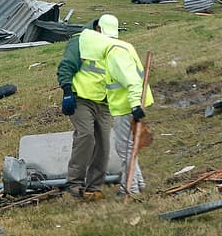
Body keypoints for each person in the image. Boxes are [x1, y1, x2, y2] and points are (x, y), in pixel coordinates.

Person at [56, 14, 116, 195]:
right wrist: (67, 92)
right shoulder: (79, 41)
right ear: (97, 28)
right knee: (86, 136)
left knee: (104, 144)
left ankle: (94, 187)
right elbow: (66, 66)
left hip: (103, 102)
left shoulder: (110, 45)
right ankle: (74, 183)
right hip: (81, 99)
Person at [103, 16, 152, 195]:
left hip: (126, 106)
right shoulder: (124, 46)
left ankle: (130, 188)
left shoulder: (113, 53)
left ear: (100, 31)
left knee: (124, 148)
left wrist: (134, 105)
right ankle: (137, 183)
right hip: (132, 103)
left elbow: (131, 81)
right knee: (129, 147)